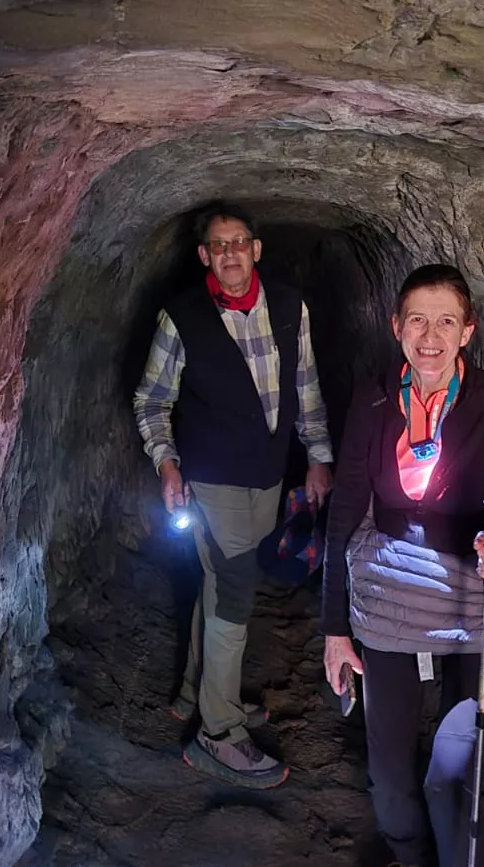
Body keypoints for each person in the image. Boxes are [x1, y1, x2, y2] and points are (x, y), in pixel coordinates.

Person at [321, 264, 484, 867]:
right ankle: (409, 852)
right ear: (396, 326)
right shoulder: (371, 401)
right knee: (390, 769)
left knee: (456, 758)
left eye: (446, 321)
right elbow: (344, 512)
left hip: (472, 593)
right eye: (417, 319)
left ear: (467, 331)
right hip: (390, 590)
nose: (430, 335)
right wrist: (335, 631)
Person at [133, 203, 334, 789]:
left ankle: (199, 691)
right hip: (212, 476)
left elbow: (307, 389)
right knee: (235, 596)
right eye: (218, 246)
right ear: (204, 256)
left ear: (256, 249)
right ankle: (217, 733)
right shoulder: (183, 315)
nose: (229, 254)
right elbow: (151, 398)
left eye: (238, 242)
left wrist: (319, 457)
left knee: (222, 585)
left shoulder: (290, 308)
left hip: (267, 474)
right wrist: (167, 464)